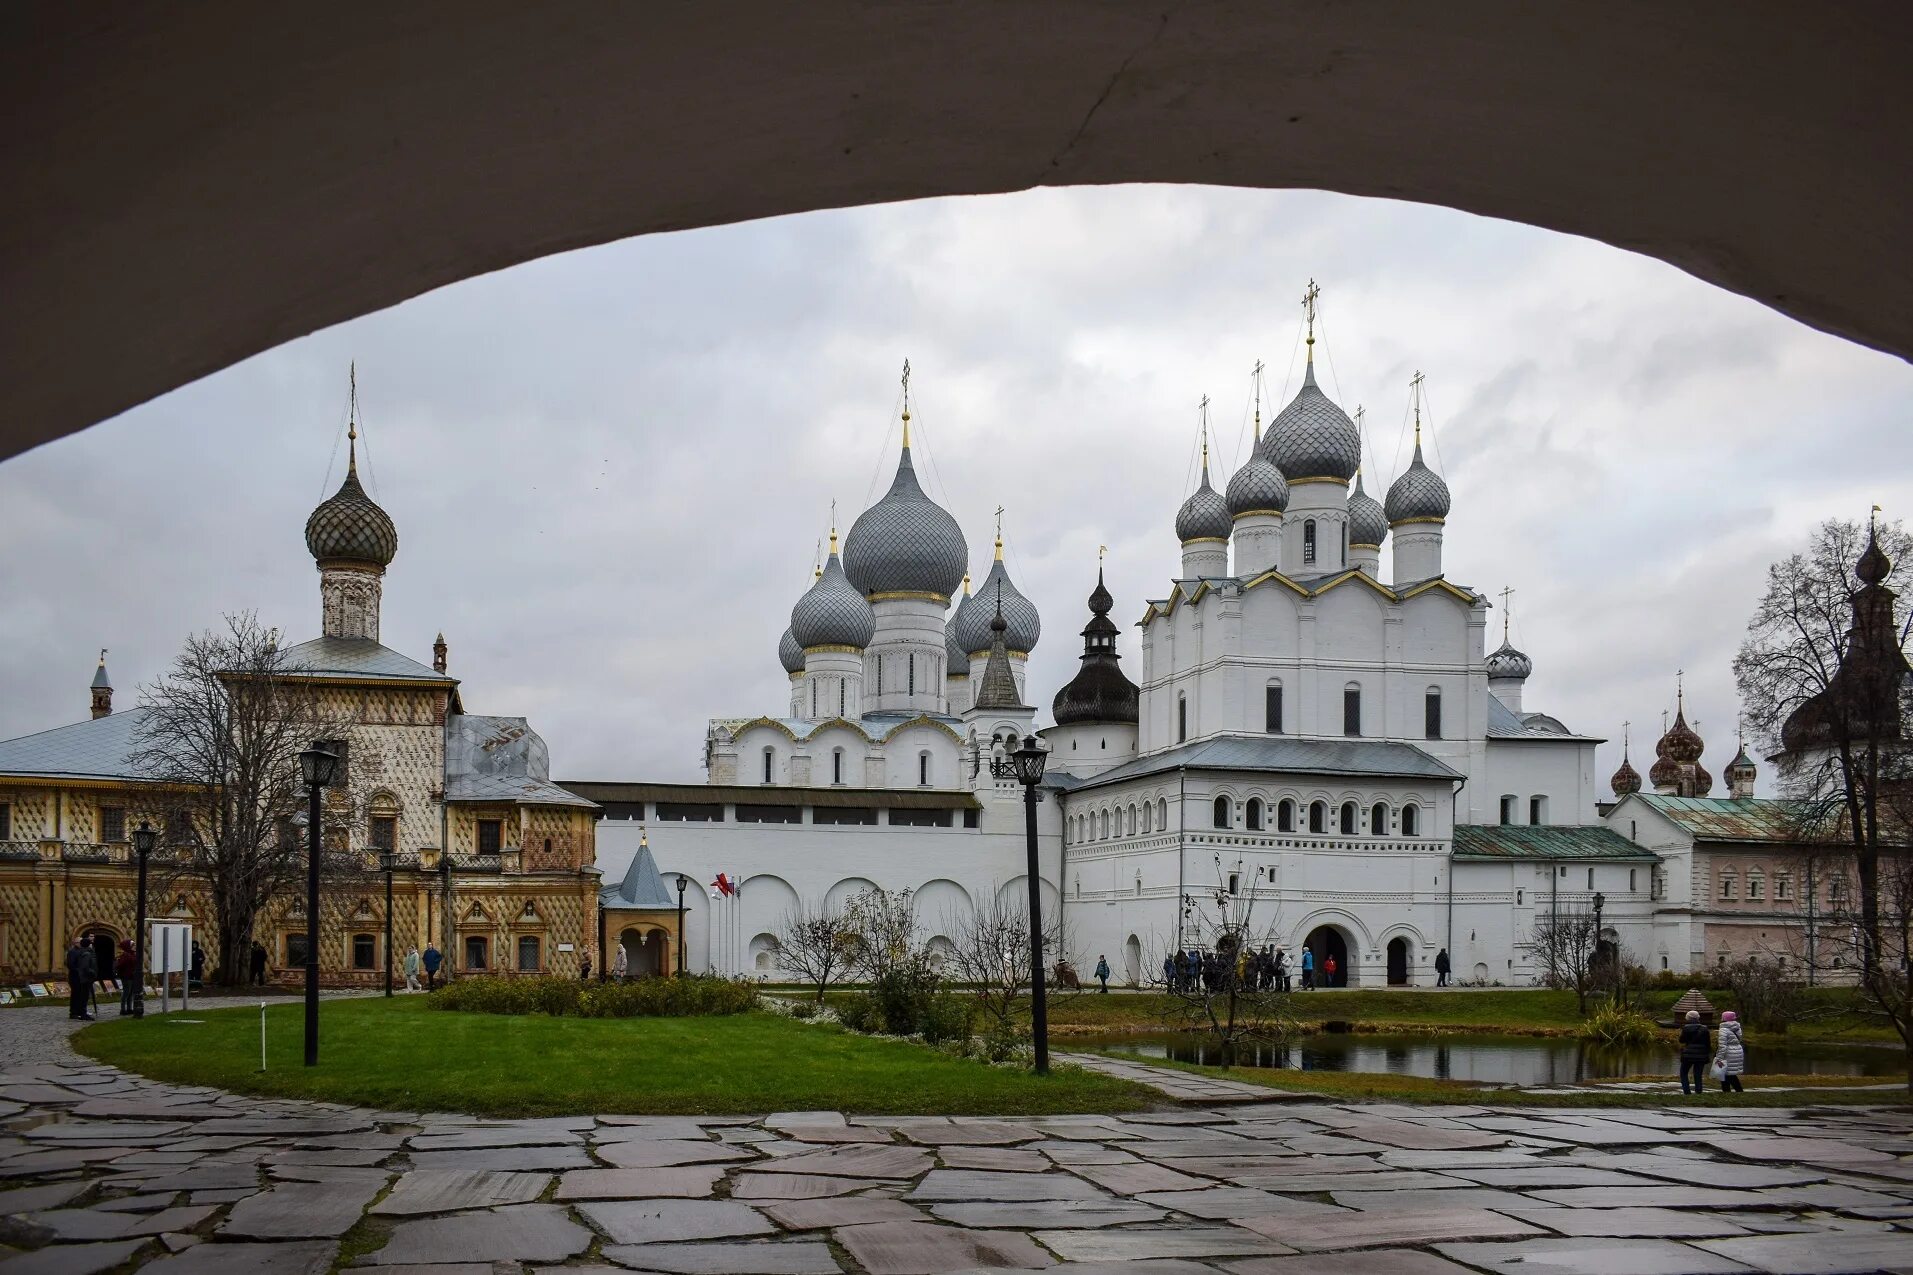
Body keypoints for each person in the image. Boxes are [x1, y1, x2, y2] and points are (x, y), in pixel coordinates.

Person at [1678, 1009, 1711, 1094]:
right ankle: (1698, 1091)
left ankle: (1687, 1091)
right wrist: (1707, 1053)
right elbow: (1708, 1043)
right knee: (1698, 1074)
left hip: (1688, 1054)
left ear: (1688, 1018)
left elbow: (1681, 1040)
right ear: (1698, 1018)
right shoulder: (1705, 1028)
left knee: (1683, 1073)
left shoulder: (1686, 1028)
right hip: (1701, 1054)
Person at [1716, 1010, 1746, 1094]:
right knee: (1729, 1073)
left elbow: (1722, 1046)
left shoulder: (1723, 1030)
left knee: (1725, 1073)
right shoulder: (1737, 1028)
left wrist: (1719, 1058)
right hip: (1738, 1051)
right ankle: (1734, 1091)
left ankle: (1732, 1091)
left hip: (1728, 1053)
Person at [65, 939, 96, 1021]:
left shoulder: (81, 952)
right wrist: (88, 972)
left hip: (81, 976)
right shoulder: (74, 952)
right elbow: (72, 965)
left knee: (81, 995)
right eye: (79, 942)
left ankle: (79, 1011)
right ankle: (75, 1012)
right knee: (76, 994)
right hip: (76, 976)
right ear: (76, 943)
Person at [116, 939, 138, 1014]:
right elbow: (120, 965)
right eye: (132, 945)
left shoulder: (132, 954)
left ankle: (129, 1008)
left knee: (131, 993)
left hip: (132, 976)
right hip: (126, 976)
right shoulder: (125, 955)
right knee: (126, 992)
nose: (134, 946)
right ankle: (123, 1009)